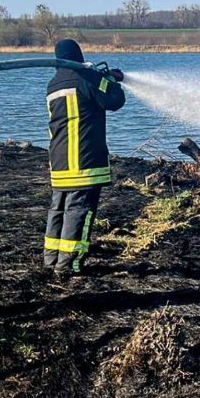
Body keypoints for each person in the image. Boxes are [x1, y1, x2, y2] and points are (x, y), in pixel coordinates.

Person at [44, 39, 125, 276]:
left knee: (58, 210)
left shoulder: (54, 83)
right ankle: (70, 265)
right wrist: (108, 80)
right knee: (80, 212)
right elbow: (115, 100)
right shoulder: (86, 77)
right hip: (85, 161)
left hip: (59, 162)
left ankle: (51, 261)